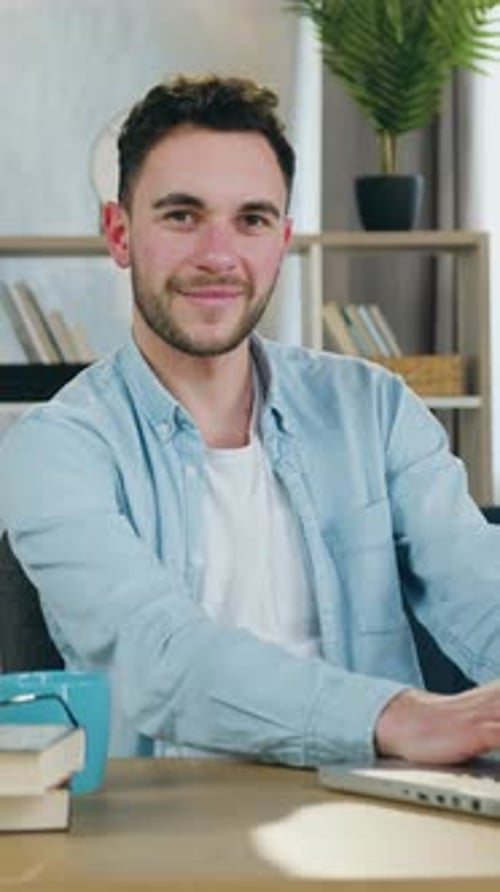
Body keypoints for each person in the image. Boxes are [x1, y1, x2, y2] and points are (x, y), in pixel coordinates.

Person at [1, 74, 500, 764]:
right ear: (119, 234)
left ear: (282, 240)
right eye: (182, 216)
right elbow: (156, 656)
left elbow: (477, 585)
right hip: (175, 818)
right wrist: (396, 716)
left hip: (379, 800)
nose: (218, 255)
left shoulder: (375, 409)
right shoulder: (53, 449)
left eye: (252, 220)